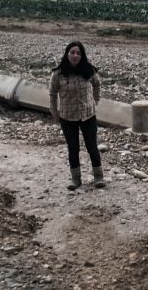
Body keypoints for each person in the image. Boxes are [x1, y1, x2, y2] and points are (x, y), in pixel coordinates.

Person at [49, 41, 105, 190]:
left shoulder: (88, 70)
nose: (75, 55)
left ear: (82, 55)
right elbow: (53, 93)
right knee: (73, 148)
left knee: (92, 146)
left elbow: (97, 84)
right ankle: (76, 179)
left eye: (78, 53)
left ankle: (99, 177)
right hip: (67, 117)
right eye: (72, 52)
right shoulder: (58, 73)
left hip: (88, 115)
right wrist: (54, 111)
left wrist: (95, 100)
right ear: (67, 54)